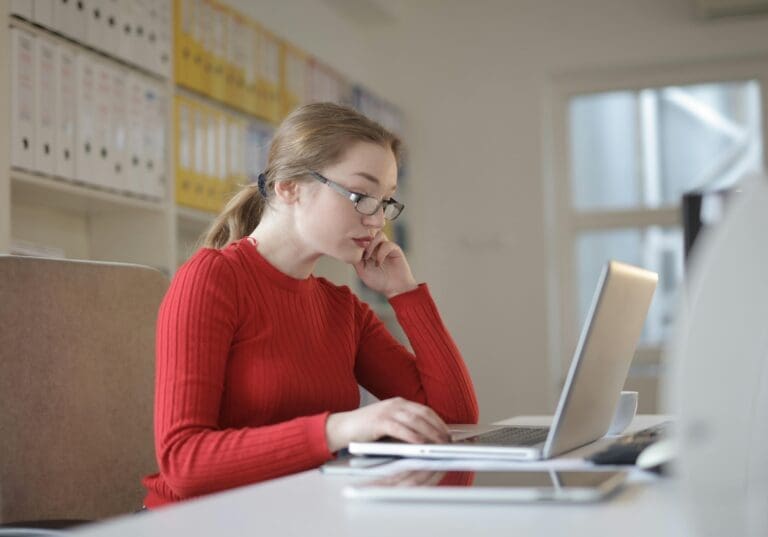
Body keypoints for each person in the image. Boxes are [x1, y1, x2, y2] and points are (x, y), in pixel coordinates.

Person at [141, 102, 479, 507]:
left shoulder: (342, 308)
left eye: (385, 200)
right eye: (361, 195)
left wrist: (405, 294)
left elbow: (454, 418)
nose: (377, 221)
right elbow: (184, 463)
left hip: (298, 515)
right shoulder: (212, 279)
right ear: (289, 186)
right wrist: (337, 429)